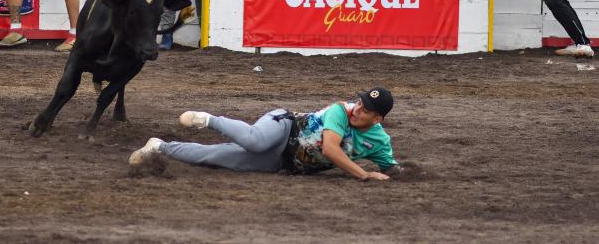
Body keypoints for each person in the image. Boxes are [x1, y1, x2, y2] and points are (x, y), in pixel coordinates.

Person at [129, 86, 403, 180]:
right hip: (284, 126)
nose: (357, 108)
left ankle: (160, 146)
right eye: (359, 102)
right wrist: (365, 174)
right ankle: (208, 119)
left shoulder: (379, 141)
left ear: (378, 118)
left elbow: (392, 169)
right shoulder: (340, 111)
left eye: (365, 109)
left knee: (216, 156)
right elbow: (331, 149)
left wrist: (395, 173)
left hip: (283, 163)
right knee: (254, 140)